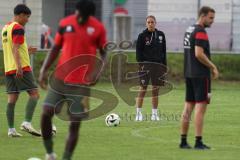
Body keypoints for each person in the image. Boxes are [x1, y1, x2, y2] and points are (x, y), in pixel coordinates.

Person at [38, 0, 107, 159]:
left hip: (80, 84)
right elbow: (55, 48)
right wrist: (43, 69)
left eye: (82, 16)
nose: (78, 17)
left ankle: (66, 158)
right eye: (77, 13)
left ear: (89, 15)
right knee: (46, 112)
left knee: (74, 123)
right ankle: (49, 153)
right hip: (60, 79)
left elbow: (104, 53)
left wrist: (98, 72)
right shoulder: (65, 23)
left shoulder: (98, 28)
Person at [180, 6, 219, 149]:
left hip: (189, 73)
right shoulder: (201, 31)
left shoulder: (189, 29)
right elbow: (198, 53)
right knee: (200, 108)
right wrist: (212, 66)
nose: (212, 21)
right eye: (211, 18)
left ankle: (183, 141)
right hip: (201, 75)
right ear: (202, 16)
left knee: (188, 106)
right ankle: (198, 141)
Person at [1, 4, 41, 137]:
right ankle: (27, 122)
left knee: (12, 99)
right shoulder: (18, 28)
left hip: (8, 68)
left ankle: (11, 130)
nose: (28, 20)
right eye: (27, 17)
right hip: (21, 67)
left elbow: (12, 47)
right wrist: (19, 67)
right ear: (21, 15)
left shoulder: (6, 28)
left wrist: (27, 50)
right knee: (35, 94)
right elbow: (15, 49)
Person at [135, 15, 167, 121]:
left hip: (158, 66)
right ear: (146, 24)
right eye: (148, 22)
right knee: (143, 89)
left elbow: (164, 52)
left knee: (155, 90)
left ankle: (154, 114)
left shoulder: (161, 35)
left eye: (152, 22)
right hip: (146, 65)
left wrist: (164, 66)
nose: (150, 24)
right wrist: (141, 64)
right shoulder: (142, 36)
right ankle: (138, 113)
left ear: (155, 23)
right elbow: (138, 52)